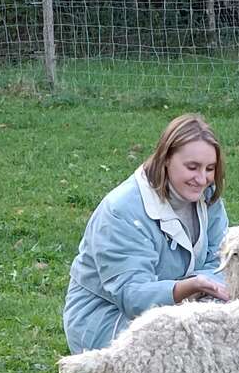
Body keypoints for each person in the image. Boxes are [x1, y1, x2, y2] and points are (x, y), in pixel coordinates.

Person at [62, 113, 230, 354]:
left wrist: (203, 292)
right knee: (185, 352)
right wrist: (192, 287)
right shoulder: (121, 210)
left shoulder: (208, 197)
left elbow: (221, 261)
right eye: (192, 167)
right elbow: (132, 296)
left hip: (182, 307)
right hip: (108, 317)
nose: (202, 179)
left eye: (210, 168)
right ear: (166, 159)